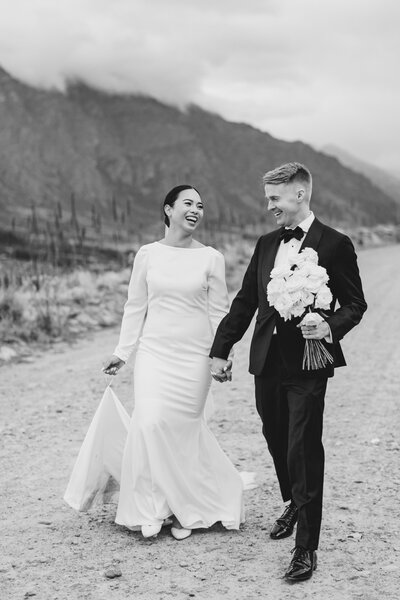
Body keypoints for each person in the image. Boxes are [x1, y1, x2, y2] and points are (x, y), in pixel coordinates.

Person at [210, 163, 367, 581]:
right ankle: (295, 500)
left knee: (303, 445)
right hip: (267, 361)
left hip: (308, 363)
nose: (269, 206)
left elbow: (355, 304)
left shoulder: (335, 244)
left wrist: (329, 326)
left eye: (274, 198)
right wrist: (221, 349)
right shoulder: (265, 244)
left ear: (299, 195)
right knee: (275, 436)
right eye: (267, 198)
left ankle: (305, 549)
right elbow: (246, 301)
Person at [64, 184, 244, 540]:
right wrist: (123, 351)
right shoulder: (147, 254)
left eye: (201, 205)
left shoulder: (211, 257)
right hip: (155, 354)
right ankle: (150, 508)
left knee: (182, 429)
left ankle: (183, 510)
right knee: (148, 423)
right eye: (188, 203)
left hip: (195, 356)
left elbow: (219, 312)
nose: (196, 210)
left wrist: (222, 356)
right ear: (168, 210)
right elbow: (135, 306)